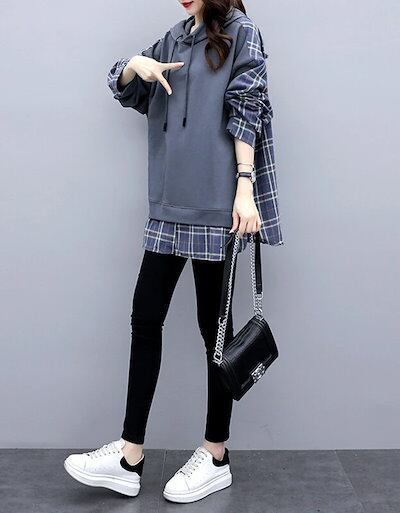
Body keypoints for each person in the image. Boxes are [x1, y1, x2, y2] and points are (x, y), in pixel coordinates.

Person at [64, 0, 283, 504]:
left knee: (215, 333)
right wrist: (131, 66)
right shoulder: (174, 37)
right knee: (145, 318)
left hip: (215, 204)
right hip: (167, 204)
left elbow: (248, 109)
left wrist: (245, 187)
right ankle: (129, 457)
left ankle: (216, 454)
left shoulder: (242, 33)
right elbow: (126, 86)